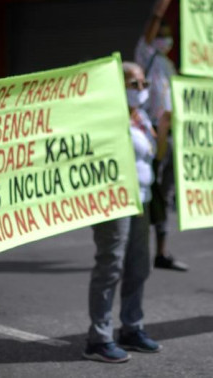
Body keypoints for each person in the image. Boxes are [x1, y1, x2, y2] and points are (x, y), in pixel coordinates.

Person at [83, 62, 163, 363]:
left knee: (138, 266)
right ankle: (98, 338)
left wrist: (164, 129)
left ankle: (132, 327)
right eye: (134, 84)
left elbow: (157, 155)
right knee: (111, 265)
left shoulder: (141, 118)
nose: (141, 90)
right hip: (113, 201)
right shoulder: (106, 118)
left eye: (143, 84)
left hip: (141, 200)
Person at [134, 0, 188, 272]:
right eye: (161, 35)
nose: (165, 39)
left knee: (164, 195)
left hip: (170, 135)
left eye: (168, 36)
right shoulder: (146, 55)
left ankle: (162, 251)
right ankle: (138, 247)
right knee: (147, 192)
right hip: (151, 134)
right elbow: (156, 16)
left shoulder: (168, 65)